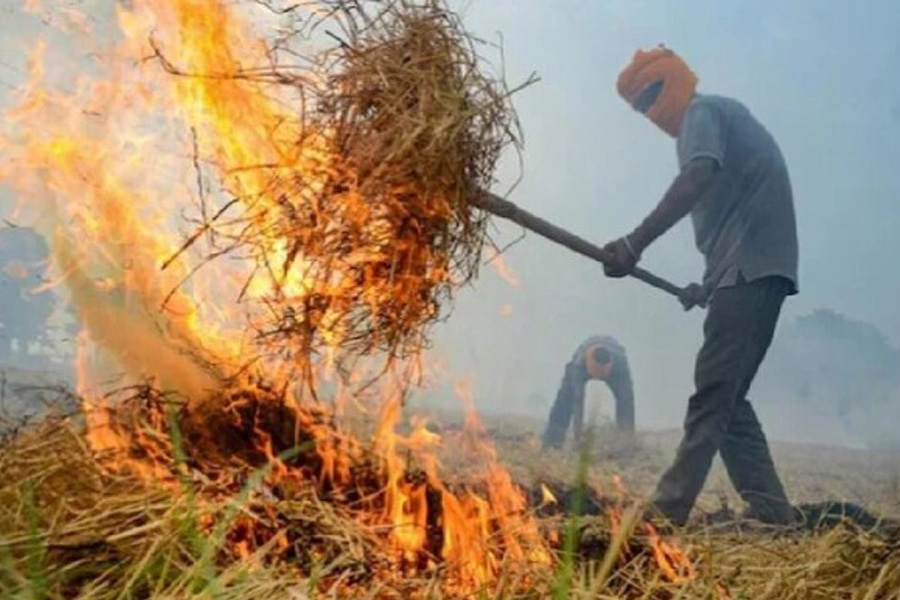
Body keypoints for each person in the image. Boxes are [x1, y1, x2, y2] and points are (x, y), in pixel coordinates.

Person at [602, 46, 799, 526]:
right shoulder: (717, 117)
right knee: (728, 399)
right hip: (746, 273)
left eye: (652, 94)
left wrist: (634, 242)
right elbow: (736, 210)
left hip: (750, 271)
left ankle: (666, 511)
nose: (651, 110)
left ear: (675, 80)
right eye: (640, 106)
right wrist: (707, 287)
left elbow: (696, 179)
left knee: (713, 392)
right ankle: (773, 513)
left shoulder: (702, 112)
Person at [542, 335, 635, 449]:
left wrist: (627, 434)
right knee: (564, 401)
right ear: (589, 364)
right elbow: (578, 402)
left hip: (616, 365)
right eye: (596, 371)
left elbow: (627, 402)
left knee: (626, 405)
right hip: (583, 357)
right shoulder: (579, 364)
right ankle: (551, 443)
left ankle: (627, 446)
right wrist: (578, 437)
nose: (599, 376)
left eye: (603, 372)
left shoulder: (620, 365)